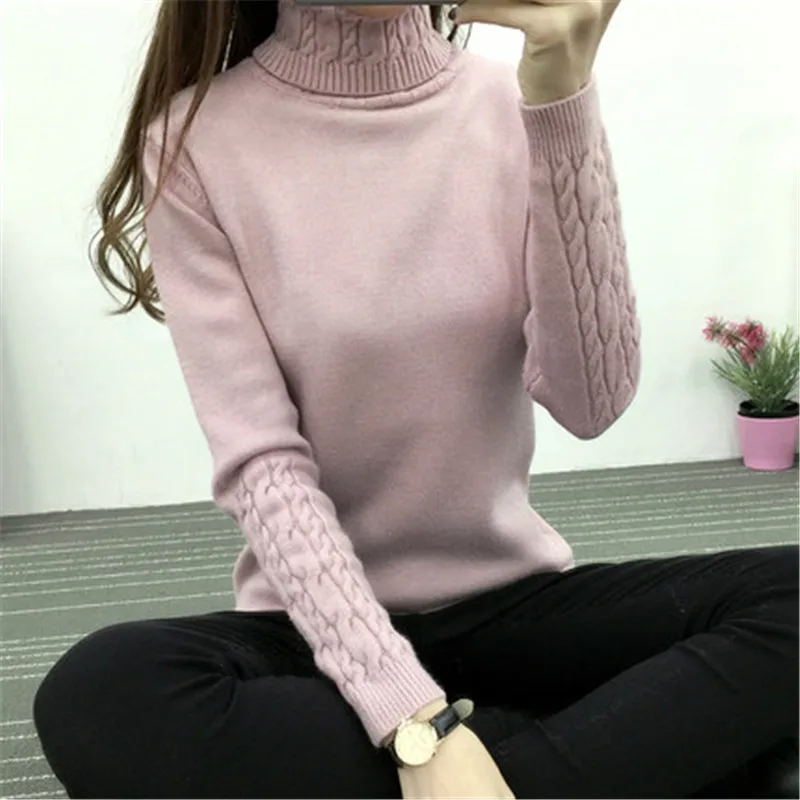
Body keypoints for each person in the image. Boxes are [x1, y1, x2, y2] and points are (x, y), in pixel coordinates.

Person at [33, 1, 798, 798]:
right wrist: (414, 722)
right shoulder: (195, 140)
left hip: (512, 607)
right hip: (318, 636)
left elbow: (592, 402)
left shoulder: (514, 103)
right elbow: (264, 467)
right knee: (101, 693)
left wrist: (564, 104)